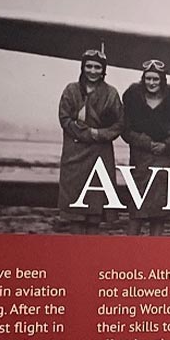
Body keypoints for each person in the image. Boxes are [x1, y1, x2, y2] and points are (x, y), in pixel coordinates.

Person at [57, 49, 124, 234]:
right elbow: (65, 119)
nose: (93, 71)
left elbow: (119, 124)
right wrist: (87, 133)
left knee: (95, 209)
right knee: (75, 210)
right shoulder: (71, 90)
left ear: (103, 70)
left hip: (100, 156)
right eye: (89, 66)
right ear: (83, 67)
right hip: (74, 156)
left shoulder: (111, 93)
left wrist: (99, 134)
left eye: (97, 67)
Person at [121, 59, 170, 236]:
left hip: (164, 162)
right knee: (136, 211)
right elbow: (125, 130)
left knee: (160, 213)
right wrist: (145, 143)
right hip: (140, 161)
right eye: (148, 78)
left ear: (162, 79)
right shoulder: (132, 96)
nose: (152, 83)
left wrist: (166, 144)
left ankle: (155, 253)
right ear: (143, 79)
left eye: (156, 79)